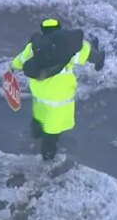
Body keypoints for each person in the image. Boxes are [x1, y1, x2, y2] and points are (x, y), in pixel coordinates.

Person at [9, 18, 105, 161]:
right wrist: (99, 58)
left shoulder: (34, 47)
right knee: (52, 132)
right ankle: (47, 160)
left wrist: (12, 68)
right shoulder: (67, 48)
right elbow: (87, 54)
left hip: (40, 95)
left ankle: (36, 135)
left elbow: (20, 60)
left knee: (39, 116)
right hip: (59, 99)